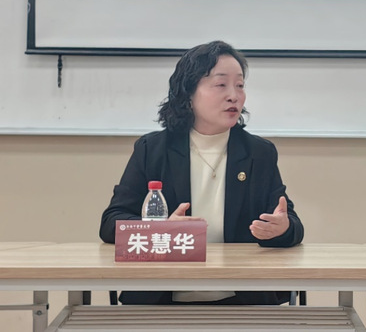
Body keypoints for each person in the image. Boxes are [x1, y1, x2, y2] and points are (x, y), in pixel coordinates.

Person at [100, 40, 304, 305]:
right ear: (188, 93)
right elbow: (111, 224)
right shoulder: (153, 150)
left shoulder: (259, 153)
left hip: (242, 300)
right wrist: (159, 231)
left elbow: (290, 224)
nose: (234, 95)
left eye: (240, 85)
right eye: (221, 84)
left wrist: (282, 229)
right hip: (163, 300)